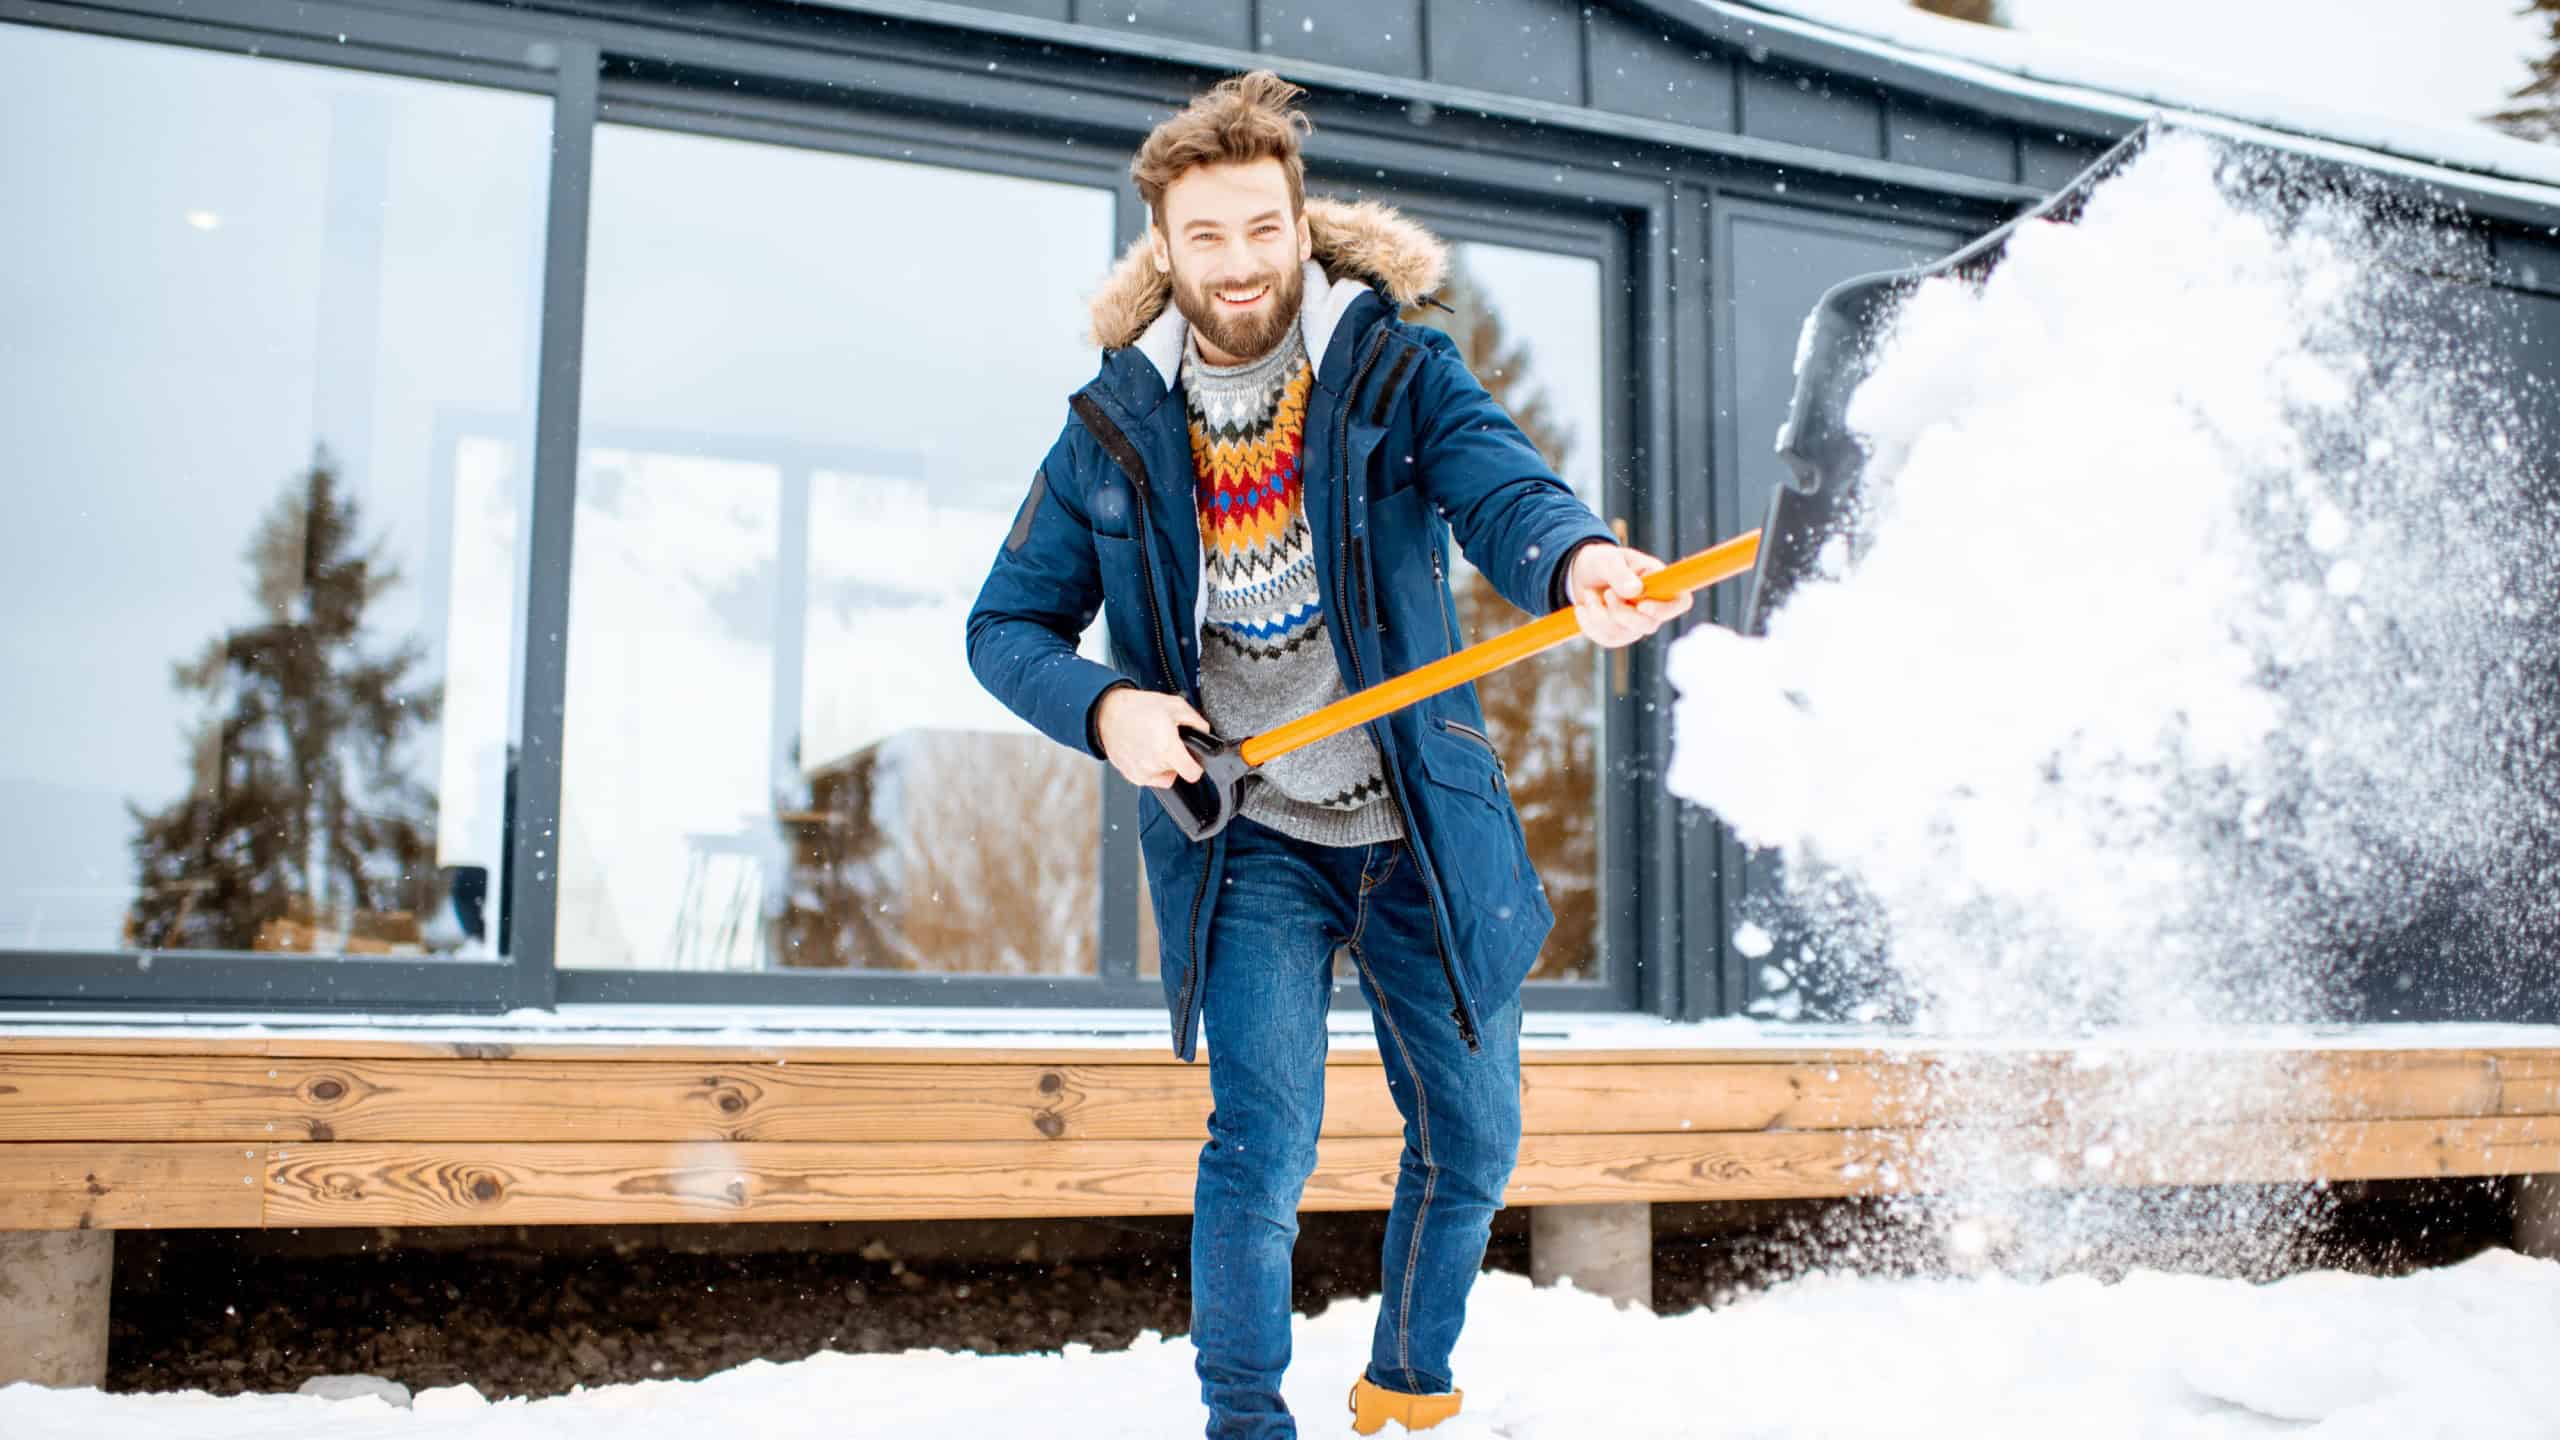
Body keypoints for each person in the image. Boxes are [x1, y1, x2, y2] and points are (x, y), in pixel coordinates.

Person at [965, 69, 1688, 1439]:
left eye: (1260, 230)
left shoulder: (1392, 370)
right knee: (1259, 1151)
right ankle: (1246, 1423)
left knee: (1471, 1140)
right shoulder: (1113, 432)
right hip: (1251, 839)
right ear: (1163, 250)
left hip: (1418, 821)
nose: (1239, 265)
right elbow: (1004, 627)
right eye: (1206, 238)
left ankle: (1408, 1389)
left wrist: (1577, 559)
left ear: (1303, 226)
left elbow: (1497, 483)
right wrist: (1106, 708)